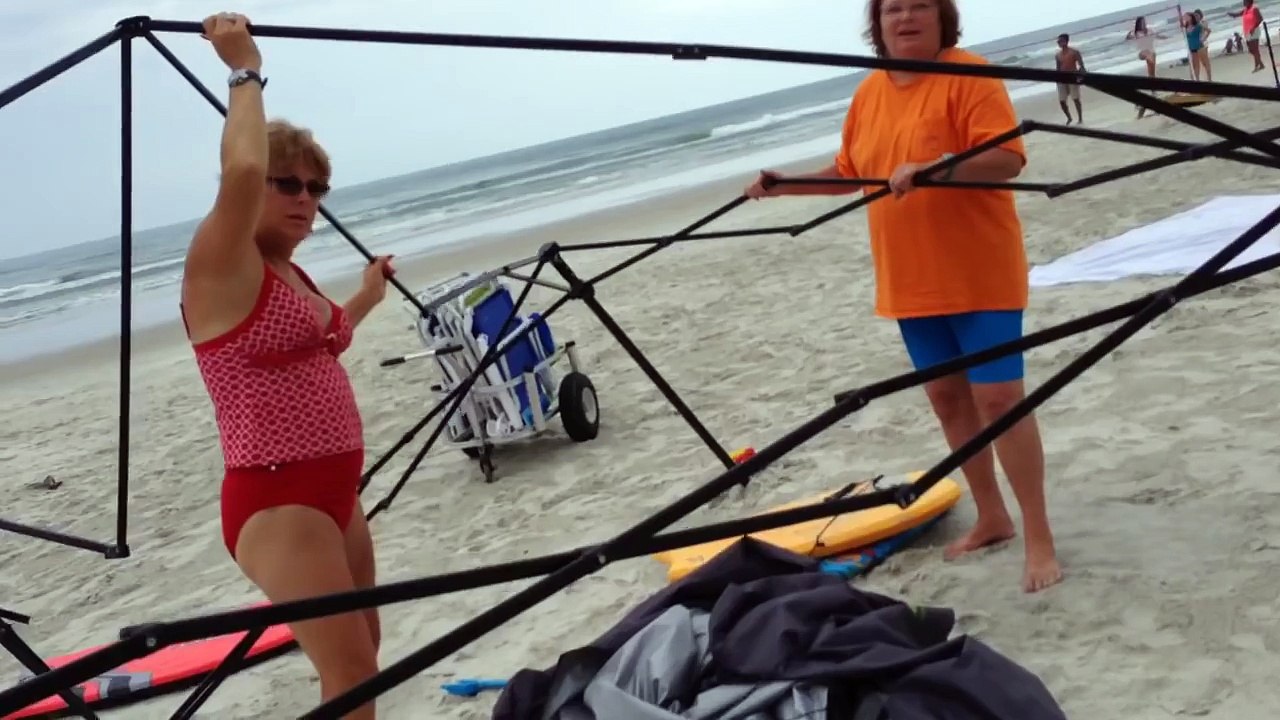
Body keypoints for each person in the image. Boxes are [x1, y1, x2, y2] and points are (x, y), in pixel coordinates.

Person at [744, 0, 1061, 593]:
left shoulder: (969, 73)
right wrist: (786, 184)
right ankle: (992, 517)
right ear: (878, 24)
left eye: (919, 5)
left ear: (942, 17)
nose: (906, 16)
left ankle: (1038, 535)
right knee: (948, 401)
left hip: (979, 271)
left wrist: (938, 168)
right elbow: (849, 169)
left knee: (999, 399)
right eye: (893, 8)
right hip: (911, 280)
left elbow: (1007, 159)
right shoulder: (869, 94)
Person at [180, 12, 393, 718]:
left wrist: (364, 297)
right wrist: (244, 67)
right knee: (354, 679)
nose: (305, 198)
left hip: (337, 494)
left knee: (366, 653)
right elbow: (240, 168)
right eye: (288, 184)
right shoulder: (224, 268)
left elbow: (325, 341)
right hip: (278, 500)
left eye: (316, 188)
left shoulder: (291, 275)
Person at [1054, 33, 1086, 125]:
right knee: (1062, 101)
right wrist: (1057, 80)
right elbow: (1058, 69)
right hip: (1062, 79)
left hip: (1073, 77)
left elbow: (1081, 66)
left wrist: (1081, 77)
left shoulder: (1074, 52)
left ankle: (1080, 118)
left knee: (1075, 99)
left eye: (1060, 41)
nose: (1059, 43)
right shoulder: (1057, 55)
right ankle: (1069, 118)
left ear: (1066, 41)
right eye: (1058, 41)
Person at [1228, 0, 1267, 72]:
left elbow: (1260, 19)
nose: (1243, 2)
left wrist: (1253, 28)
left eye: (1244, 1)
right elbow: (1238, 14)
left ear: (1249, 2)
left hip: (1254, 31)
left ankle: (1257, 66)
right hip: (1247, 31)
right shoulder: (1245, 9)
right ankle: (1261, 64)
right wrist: (1232, 14)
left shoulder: (1254, 9)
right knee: (1251, 50)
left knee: (1255, 49)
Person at [1184, 12, 1213, 81]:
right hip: (1192, 48)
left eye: (1186, 16)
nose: (1185, 18)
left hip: (1200, 46)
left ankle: (1209, 79)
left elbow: (1208, 30)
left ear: (1191, 17)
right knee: (1195, 65)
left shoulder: (1198, 26)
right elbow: (1180, 23)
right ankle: (1197, 80)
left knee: (1205, 63)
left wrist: (1203, 39)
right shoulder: (1186, 27)